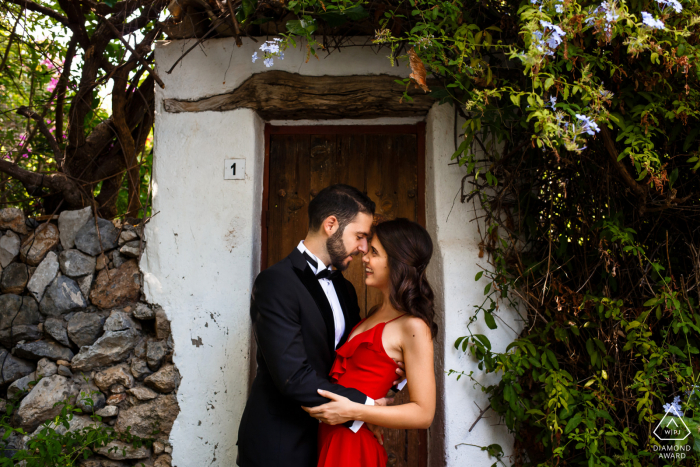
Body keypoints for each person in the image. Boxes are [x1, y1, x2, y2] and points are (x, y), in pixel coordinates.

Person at [236, 184, 405, 467]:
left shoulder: (345, 289)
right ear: (331, 225)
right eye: (360, 236)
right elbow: (294, 378)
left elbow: (351, 358)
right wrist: (367, 407)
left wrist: (392, 375)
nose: (363, 248)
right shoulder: (275, 283)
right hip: (281, 445)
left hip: (334, 441)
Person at [302, 218, 437, 467]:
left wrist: (356, 412)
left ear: (398, 261)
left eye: (374, 252)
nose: (364, 257)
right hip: (330, 437)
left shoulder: (413, 326)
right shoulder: (373, 313)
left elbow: (424, 414)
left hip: (354, 444)